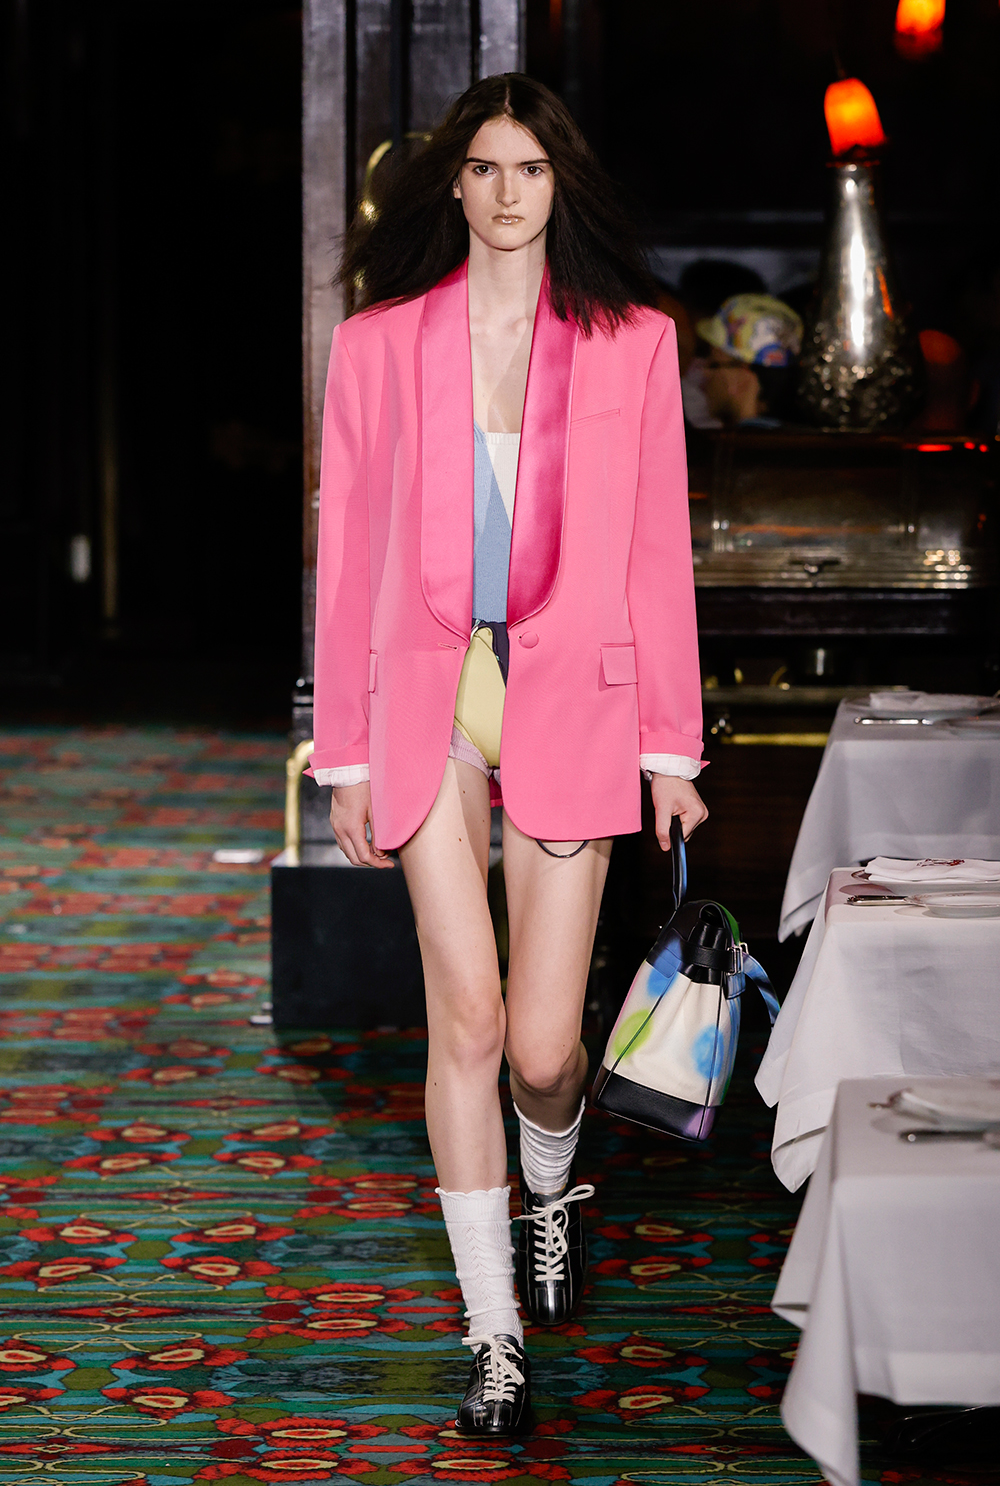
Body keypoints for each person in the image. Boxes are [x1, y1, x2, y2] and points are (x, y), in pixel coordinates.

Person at [308, 73, 707, 1437]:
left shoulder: (630, 345)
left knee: (542, 1053)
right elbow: (345, 554)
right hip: (427, 696)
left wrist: (671, 744)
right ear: (454, 184)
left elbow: (657, 551)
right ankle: (495, 1336)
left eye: (529, 169)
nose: (504, 193)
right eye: (482, 168)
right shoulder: (378, 345)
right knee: (467, 1023)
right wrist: (343, 755)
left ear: (560, 185)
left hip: (574, 695)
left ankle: (552, 1191)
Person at [684, 292, 803, 429]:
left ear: (744, 377)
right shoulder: (797, 435)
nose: (704, 373)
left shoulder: (732, 442)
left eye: (713, 365)